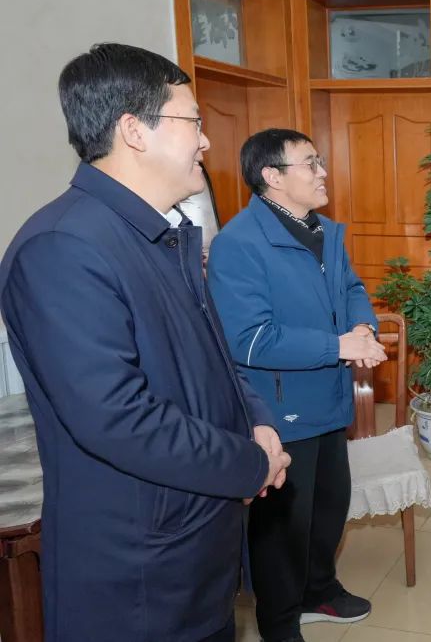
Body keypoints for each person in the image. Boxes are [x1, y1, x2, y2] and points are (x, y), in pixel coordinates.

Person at [0, 43, 291, 642]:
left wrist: (257, 422)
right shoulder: (63, 248)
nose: (205, 142)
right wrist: (248, 463)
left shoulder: (159, 236)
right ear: (134, 130)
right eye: (193, 122)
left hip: (194, 544)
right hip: (138, 575)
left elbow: (214, 360)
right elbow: (118, 419)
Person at [208, 128, 386, 642]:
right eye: (310, 163)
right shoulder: (239, 244)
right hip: (279, 408)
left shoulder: (324, 230)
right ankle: (280, 621)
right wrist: (339, 346)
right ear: (272, 176)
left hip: (330, 397)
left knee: (329, 507)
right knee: (283, 528)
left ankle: (319, 590)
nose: (323, 172)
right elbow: (249, 340)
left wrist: (362, 327)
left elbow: (351, 287)